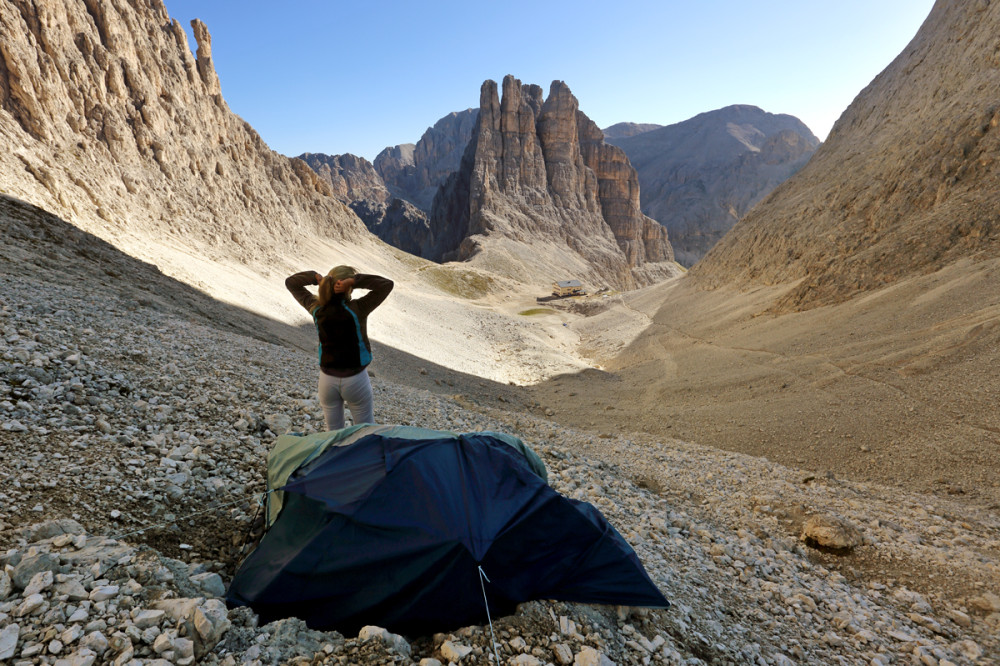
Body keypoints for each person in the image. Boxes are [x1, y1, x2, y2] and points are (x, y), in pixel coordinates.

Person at [285, 266, 393, 431]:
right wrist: (355, 281)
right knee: (365, 430)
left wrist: (316, 278)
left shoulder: (316, 308)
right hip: (356, 379)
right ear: (348, 288)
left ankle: (336, 454)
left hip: (327, 380)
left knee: (333, 432)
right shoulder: (358, 308)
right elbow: (386, 285)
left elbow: (291, 283)